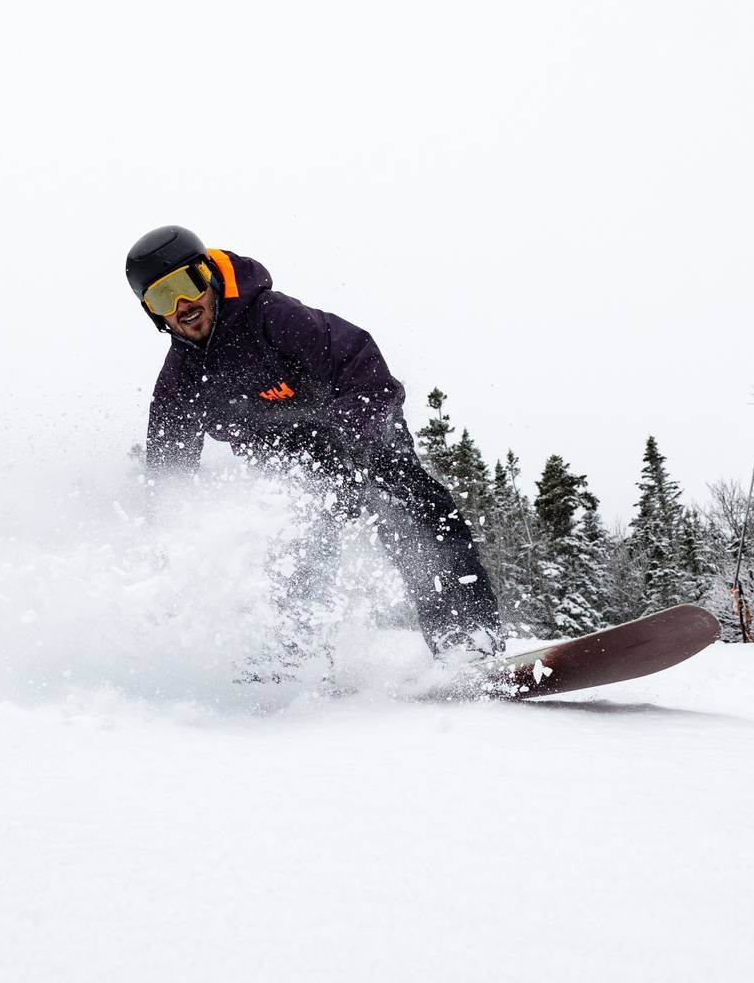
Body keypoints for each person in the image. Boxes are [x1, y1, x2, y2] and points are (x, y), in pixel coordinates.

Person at [126, 225, 504, 661]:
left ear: (208, 276)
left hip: (358, 425)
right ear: (152, 313)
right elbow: (168, 474)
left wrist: (353, 439)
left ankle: (465, 636)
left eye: (187, 284)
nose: (181, 305)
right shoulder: (181, 381)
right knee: (291, 534)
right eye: (162, 298)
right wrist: (168, 539)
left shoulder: (272, 317)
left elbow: (361, 364)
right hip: (288, 456)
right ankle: (292, 657)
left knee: (405, 500)